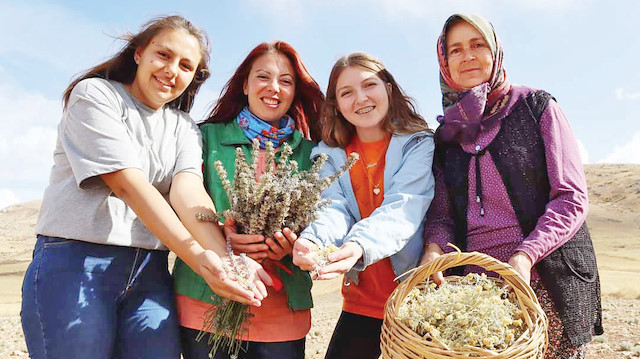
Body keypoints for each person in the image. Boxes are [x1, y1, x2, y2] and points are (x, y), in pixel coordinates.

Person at [20, 15, 270, 359]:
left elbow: (188, 194)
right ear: (139, 53)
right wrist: (198, 258)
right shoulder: (95, 95)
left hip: (149, 270)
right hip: (75, 260)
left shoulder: (183, 127)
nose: (172, 70)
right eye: (163, 55)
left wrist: (228, 261)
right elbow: (130, 187)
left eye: (185, 65)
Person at [420, 13, 603, 359]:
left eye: (478, 45)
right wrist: (433, 248)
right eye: (456, 50)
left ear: (495, 52)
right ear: (444, 62)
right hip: (473, 294)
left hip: (541, 279)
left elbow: (571, 197)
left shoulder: (536, 107)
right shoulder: (447, 136)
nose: (468, 56)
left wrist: (525, 255)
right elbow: (442, 213)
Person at [173, 40, 325, 359]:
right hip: (206, 306)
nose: (274, 88)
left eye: (286, 81)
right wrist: (221, 238)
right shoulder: (203, 138)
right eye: (263, 77)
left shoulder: (314, 155)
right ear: (245, 84)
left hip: (281, 313)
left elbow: (327, 220)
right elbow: (178, 204)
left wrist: (296, 244)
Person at [292, 52, 435, 359]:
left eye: (369, 85)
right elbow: (332, 207)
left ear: (388, 88)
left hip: (415, 301)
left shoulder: (418, 143)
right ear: (337, 104)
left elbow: (404, 206)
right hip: (362, 303)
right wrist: (313, 240)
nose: (360, 99)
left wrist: (357, 245)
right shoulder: (329, 154)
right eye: (346, 93)